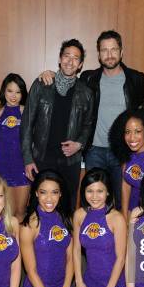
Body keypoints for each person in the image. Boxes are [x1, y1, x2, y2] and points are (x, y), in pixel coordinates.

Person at [38, 30, 144, 209]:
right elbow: (68, 78)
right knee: (92, 202)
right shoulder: (89, 78)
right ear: (99, 54)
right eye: (104, 50)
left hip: (123, 152)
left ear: (121, 51)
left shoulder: (136, 79)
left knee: (121, 201)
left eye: (114, 49)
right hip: (94, 151)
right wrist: (50, 73)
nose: (109, 55)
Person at [21, 39, 94, 210]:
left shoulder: (87, 93)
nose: (70, 61)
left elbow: (88, 125)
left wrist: (80, 143)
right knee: (38, 209)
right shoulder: (41, 85)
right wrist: (28, 159)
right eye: (67, 56)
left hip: (71, 162)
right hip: (42, 159)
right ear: (60, 59)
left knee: (67, 209)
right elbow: (26, 125)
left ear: (80, 64)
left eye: (76, 58)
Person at [20, 170, 80, 287]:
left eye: (54, 192)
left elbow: (70, 258)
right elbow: (30, 271)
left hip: (62, 285)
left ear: (61, 194)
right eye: (43, 192)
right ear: (36, 193)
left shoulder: (67, 219)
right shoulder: (29, 226)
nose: (49, 198)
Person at [72, 168, 126, 287]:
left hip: (114, 282)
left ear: (108, 192)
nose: (94, 196)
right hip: (91, 280)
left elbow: (121, 258)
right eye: (90, 191)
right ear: (84, 192)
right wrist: (79, 282)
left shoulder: (116, 218)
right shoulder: (80, 215)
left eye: (100, 191)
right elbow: (76, 250)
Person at [0, 73, 30, 221]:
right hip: (1, 166)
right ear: (3, 91)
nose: (13, 96)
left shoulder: (26, 111)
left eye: (18, 92)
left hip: (22, 167)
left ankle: (21, 244)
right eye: (10, 91)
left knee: (20, 212)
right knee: (6, 213)